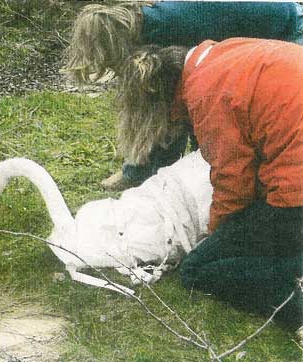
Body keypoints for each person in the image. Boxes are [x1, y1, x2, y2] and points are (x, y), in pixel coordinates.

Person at [117, 37, 303, 338]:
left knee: (197, 269)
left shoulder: (206, 95)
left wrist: (215, 235)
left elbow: (235, 185)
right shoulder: (221, 55)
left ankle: (295, 302)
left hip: (297, 195)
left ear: (159, 93)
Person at [64, 1, 303, 190]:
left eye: (111, 62)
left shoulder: (174, 23)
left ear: (115, 43)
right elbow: (169, 110)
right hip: (259, 39)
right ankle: (142, 171)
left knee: (254, 123)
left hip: (288, 31)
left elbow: (204, 95)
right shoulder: (148, 27)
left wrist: (210, 154)